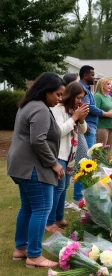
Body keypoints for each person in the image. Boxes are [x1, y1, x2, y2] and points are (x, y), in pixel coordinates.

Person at [7, 73, 65, 268]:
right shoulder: (39, 109)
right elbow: (37, 140)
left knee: (28, 208)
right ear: (45, 91)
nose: (59, 99)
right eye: (57, 94)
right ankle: (34, 255)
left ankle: (21, 248)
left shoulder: (29, 105)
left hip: (22, 166)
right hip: (33, 168)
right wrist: (54, 163)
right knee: (41, 209)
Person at [46, 82, 88, 234]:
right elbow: (58, 132)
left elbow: (82, 130)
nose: (79, 101)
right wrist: (75, 117)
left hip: (70, 154)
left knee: (64, 188)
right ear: (70, 95)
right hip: (58, 153)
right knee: (57, 189)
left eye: (81, 98)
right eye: (78, 97)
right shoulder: (57, 109)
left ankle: (58, 218)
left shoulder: (72, 110)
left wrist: (81, 119)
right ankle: (50, 222)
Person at [79, 65, 112, 148]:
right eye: (92, 75)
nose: (94, 78)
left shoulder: (88, 89)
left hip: (95, 124)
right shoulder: (82, 89)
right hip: (90, 124)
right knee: (89, 154)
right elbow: (88, 107)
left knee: (95, 152)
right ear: (85, 75)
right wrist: (106, 114)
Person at [94, 77, 112, 151]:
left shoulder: (109, 97)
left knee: (107, 151)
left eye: (110, 84)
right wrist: (107, 114)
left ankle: (105, 163)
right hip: (102, 127)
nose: (110, 86)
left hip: (111, 126)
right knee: (100, 151)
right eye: (108, 84)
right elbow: (95, 111)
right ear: (102, 85)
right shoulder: (97, 96)